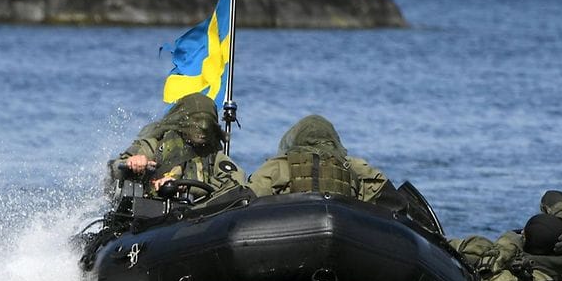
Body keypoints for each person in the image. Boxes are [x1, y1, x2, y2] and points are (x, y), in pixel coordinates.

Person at [110, 93, 245, 204]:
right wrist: (133, 162)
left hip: (197, 215)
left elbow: (236, 181)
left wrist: (186, 187)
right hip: (150, 213)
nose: (203, 127)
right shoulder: (155, 145)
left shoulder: (213, 155)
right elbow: (115, 168)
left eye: (207, 123)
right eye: (197, 121)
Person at [247, 114, 395, 203]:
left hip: (291, 228)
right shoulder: (355, 166)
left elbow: (247, 199)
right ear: (332, 139)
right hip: (344, 228)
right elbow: (392, 201)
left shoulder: (277, 165)